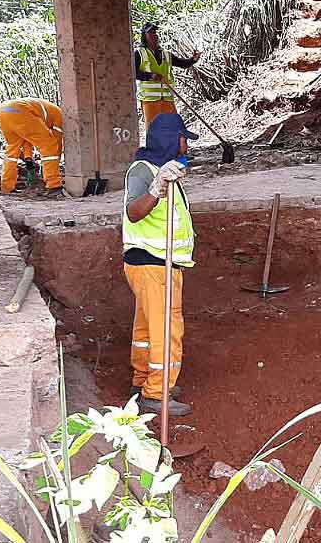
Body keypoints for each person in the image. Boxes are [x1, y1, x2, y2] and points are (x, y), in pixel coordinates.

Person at [122, 112, 199, 416]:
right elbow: (134, 212)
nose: (187, 147)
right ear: (171, 139)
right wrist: (155, 189)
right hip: (154, 264)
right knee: (167, 329)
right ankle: (156, 393)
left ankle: (142, 379)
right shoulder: (145, 172)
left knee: (146, 327)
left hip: (154, 264)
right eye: (184, 140)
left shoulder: (162, 170)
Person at [134, 22, 201, 126]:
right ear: (144, 36)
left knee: (173, 129)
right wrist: (150, 76)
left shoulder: (166, 54)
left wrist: (193, 59)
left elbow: (182, 64)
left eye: (155, 32)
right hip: (150, 100)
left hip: (167, 99)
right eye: (150, 32)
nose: (154, 35)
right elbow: (133, 73)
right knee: (154, 131)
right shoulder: (139, 53)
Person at [0, 98, 64, 197]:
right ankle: (54, 185)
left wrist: (28, 159)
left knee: (12, 150)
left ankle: (7, 187)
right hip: (20, 110)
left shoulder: (46, 109)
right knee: (49, 144)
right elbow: (56, 143)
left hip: (2, 111)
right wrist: (55, 162)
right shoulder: (59, 115)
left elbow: (27, 137)